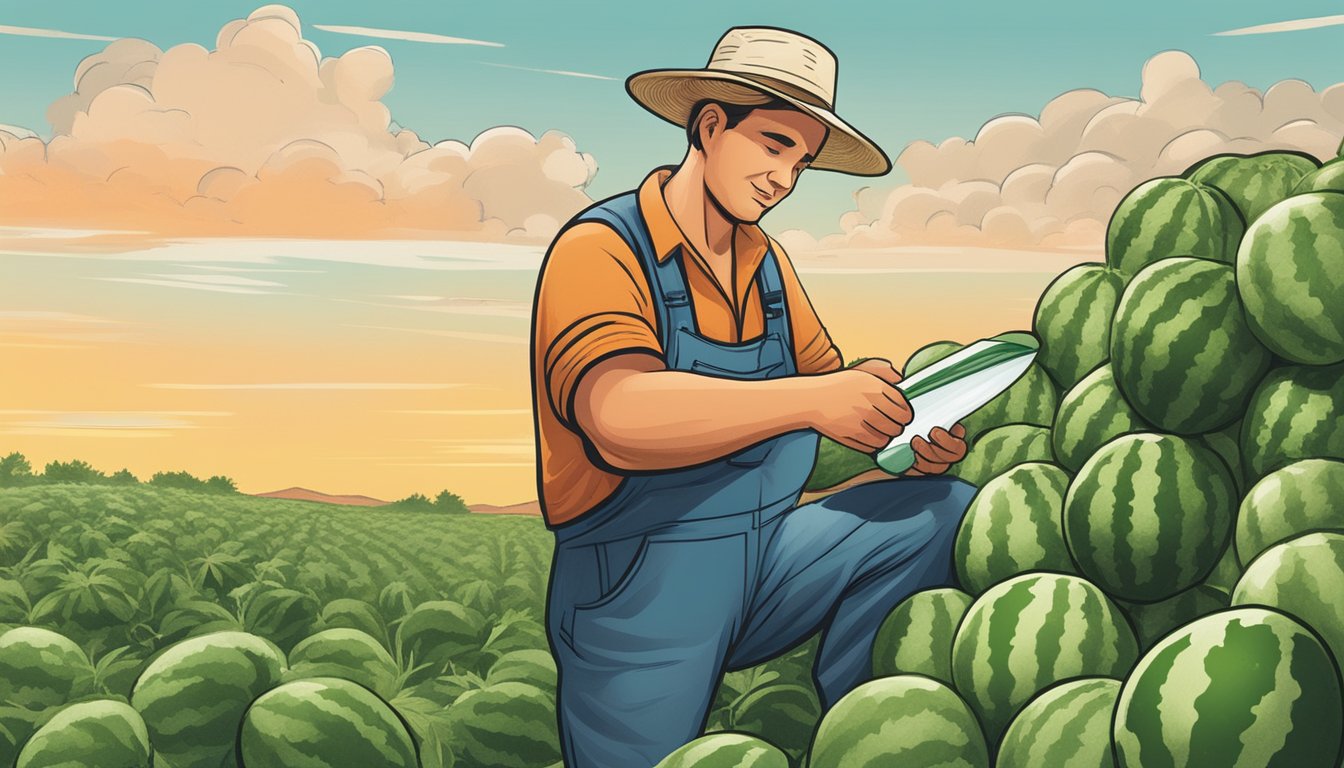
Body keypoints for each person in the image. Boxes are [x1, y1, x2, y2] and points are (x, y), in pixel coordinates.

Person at [529, 26, 974, 768]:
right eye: (773, 145)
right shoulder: (602, 247)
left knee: (936, 512)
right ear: (710, 127)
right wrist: (810, 401)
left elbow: (827, 415)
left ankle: (858, 729)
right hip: (637, 593)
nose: (785, 179)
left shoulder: (767, 266)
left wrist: (899, 436)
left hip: (763, 559)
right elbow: (616, 416)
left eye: (800, 161)